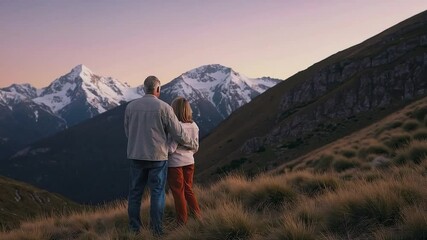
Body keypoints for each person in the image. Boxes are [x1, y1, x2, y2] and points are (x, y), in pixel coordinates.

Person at [124, 76, 198, 235]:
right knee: (157, 192)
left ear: (144, 88)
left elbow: (128, 131)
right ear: (158, 89)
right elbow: (178, 133)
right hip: (158, 157)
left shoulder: (130, 107)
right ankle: (156, 231)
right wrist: (192, 144)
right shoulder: (164, 108)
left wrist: (136, 144)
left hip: (136, 156)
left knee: (135, 193)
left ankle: (134, 229)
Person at [167, 97, 202, 225]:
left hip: (175, 163)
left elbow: (171, 148)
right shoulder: (194, 125)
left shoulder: (176, 126)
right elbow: (195, 146)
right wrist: (188, 154)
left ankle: (182, 222)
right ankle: (197, 215)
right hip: (189, 161)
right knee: (188, 189)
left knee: (178, 192)